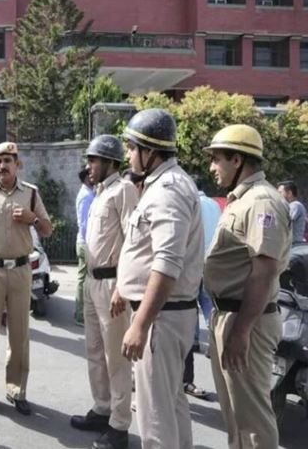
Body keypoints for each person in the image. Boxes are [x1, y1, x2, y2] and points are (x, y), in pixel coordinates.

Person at [112, 108, 204, 449]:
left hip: (160, 319)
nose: (128, 155)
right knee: (171, 405)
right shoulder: (163, 185)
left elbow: (167, 263)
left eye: (131, 148)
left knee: (154, 420)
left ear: (149, 152)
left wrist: (140, 324)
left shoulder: (167, 190)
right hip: (166, 315)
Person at [204, 124, 291, 449]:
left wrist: (240, 332)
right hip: (231, 315)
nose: (212, 167)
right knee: (236, 416)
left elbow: (263, 272)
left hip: (246, 321)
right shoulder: (244, 199)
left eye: (217, 159)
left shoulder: (261, 201)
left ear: (237, 159)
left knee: (252, 421)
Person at [0, 142, 52, 417]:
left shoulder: (31, 194)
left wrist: (32, 219)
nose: (2, 166)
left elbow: (48, 230)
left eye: (7, 161)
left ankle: (16, 390)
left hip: (20, 271)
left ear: (17, 164)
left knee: (19, 335)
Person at [70, 135, 139, 449]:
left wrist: (123, 287)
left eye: (94, 159)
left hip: (112, 284)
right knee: (95, 351)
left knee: (116, 359)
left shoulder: (124, 190)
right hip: (92, 282)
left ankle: (119, 426)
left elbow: (132, 242)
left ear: (111, 161)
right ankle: (102, 408)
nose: (89, 165)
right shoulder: (100, 192)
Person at [182, 175, 222, 400]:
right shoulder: (214, 205)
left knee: (189, 305)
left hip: (193, 261)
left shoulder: (190, 202)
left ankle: (195, 340)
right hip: (211, 261)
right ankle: (215, 339)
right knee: (207, 304)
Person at [75, 166, 96, 326]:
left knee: (84, 278)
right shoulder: (86, 196)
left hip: (85, 241)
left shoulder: (89, 193)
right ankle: (80, 315)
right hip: (85, 242)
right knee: (83, 280)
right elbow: (83, 224)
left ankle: (81, 312)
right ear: (87, 178)